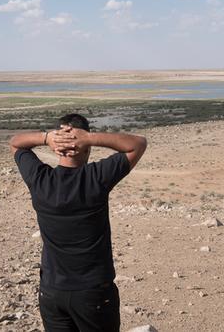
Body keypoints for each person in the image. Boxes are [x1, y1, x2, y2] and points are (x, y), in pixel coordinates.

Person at [9, 113, 147, 332]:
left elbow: (16, 144)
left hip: (52, 293)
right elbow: (138, 144)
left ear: (56, 148)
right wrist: (89, 138)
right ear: (87, 147)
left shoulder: (39, 179)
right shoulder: (96, 178)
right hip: (92, 293)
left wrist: (47, 138)